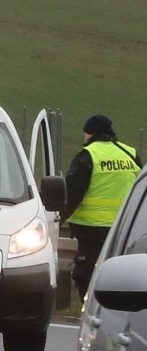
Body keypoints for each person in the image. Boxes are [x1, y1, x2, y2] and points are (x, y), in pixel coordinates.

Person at [61, 114, 142, 300]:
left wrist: (56, 219)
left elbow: (73, 195)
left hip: (91, 229)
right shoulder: (130, 153)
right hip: (124, 228)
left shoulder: (88, 155)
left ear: (90, 134)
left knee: (87, 275)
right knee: (120, 275)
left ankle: (90, 308)